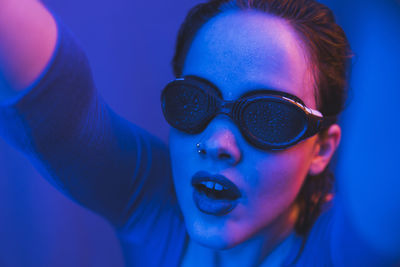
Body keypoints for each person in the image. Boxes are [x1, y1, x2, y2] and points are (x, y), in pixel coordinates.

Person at [0, 0, 399, 266]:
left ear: (322, 150)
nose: (217, 144)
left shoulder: (341, 250)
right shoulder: (151, 205)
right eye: (193, 102)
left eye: (269, 118)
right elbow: (56, 109)